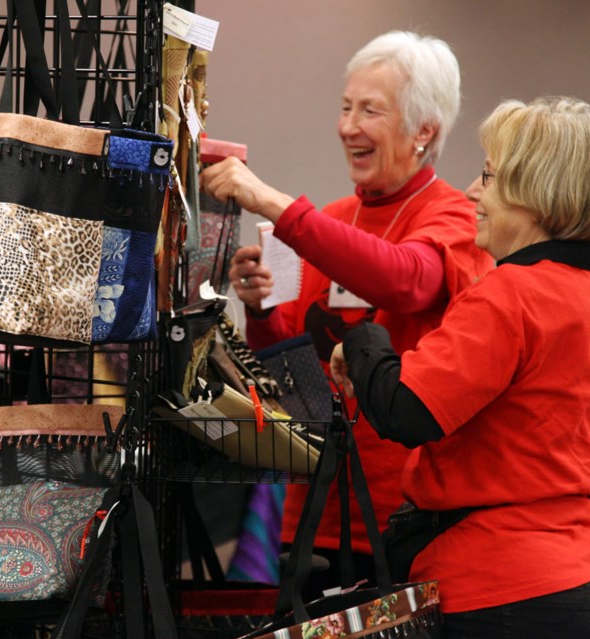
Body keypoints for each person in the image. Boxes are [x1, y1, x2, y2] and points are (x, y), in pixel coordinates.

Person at [199, 30, 494, 595]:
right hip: (311, 513)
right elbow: (284, 373)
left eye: (370, 111)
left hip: (396, 514)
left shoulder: (456, 218)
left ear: (423, 131)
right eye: (345, 107)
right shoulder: (329, 221)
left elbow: (406, 280)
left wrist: (272, 202)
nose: (348, 126)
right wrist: (261, 310)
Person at [330, 95, 590, 638]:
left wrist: (364, 340)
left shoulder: (512, 294)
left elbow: (406, 411)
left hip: (493, 587)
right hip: (575, 574)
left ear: (536, 197)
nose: (473, 193)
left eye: (489, 178)